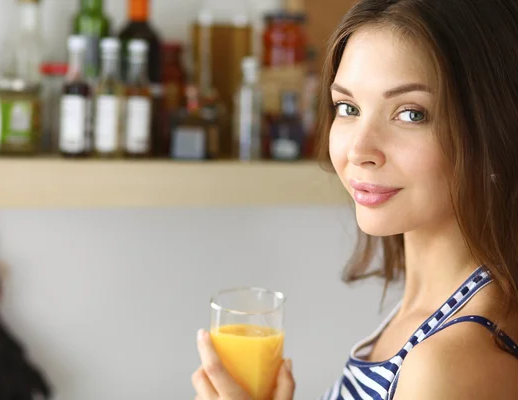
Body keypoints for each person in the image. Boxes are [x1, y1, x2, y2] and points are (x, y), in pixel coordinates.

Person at [191, 0, 518, 398]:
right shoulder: (431, 312)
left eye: (411, 114)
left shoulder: (449, 365)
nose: (359, 149)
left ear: (495, 130)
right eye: (348, 108)